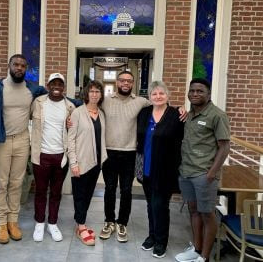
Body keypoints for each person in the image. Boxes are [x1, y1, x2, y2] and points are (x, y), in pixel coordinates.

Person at [100, 70, 187, 243]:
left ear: (133, 84)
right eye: (122, 80)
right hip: (109, 152)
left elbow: (161, 105)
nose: (125, 83)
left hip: (130, 153)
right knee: (109, 189)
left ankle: (122, 223)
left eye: (129, 81)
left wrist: (181, 109)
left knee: (126, 190)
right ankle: (109, 221)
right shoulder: (106, 100)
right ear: (117, 82)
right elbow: (89, 104)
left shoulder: (141, 102)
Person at [0, 54, 47, 244]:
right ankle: (1, 223)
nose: (19, 68)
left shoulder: (32, 89)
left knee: (17, 182)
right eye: (16, 64)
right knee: (1, 183)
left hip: (22, 139)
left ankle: (13, 221)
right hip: (2, 141)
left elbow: (56, 95)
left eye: (22, 65)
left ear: (26, 68)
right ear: (9, 66)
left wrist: (80, 105)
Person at [175, 78, 230, 262]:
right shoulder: (190, 114)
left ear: (208, 94)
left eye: (200, 91)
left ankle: (205, 256)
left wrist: (212, 173)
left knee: (207, 214)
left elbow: (224, 147)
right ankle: (196, 249)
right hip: (187, 171)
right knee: (193, 211)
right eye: (192, 91)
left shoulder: (216, 115)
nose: (195, 94)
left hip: (204, 174)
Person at [136, 81, 184, 258]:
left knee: (160, 205)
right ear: (149, 97)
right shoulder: (144, 113)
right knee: (150, 204)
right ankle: (152, 235)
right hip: (145, 167)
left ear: (167, 96)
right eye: (154, 94)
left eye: (161, 93)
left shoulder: (176, 115)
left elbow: (183, 139)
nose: (158, 96)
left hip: (165, 170)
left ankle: (161, 241)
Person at [31, 73, 76, 242]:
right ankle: (39, 223)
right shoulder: (38, 103)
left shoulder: (70, 106)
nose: (56, 87)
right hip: (41, 154)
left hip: (61, 156)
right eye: (53, 83)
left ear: (63, 87)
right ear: (48, 85)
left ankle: (52, 223)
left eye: (60, 84)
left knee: (56, 192)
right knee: (41, 191)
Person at [68, 80, 107, 246]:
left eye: (97, 91)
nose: (94, 94)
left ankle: (80, 223)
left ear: (101, 95)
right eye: (91, 91)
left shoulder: (102, 114)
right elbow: (70, 139)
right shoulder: (77, 113)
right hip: (81, 162)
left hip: (96, 162)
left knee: (88, 193)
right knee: (79, 195)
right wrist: (74, 163)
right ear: (86, 93)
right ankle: (81, 226)